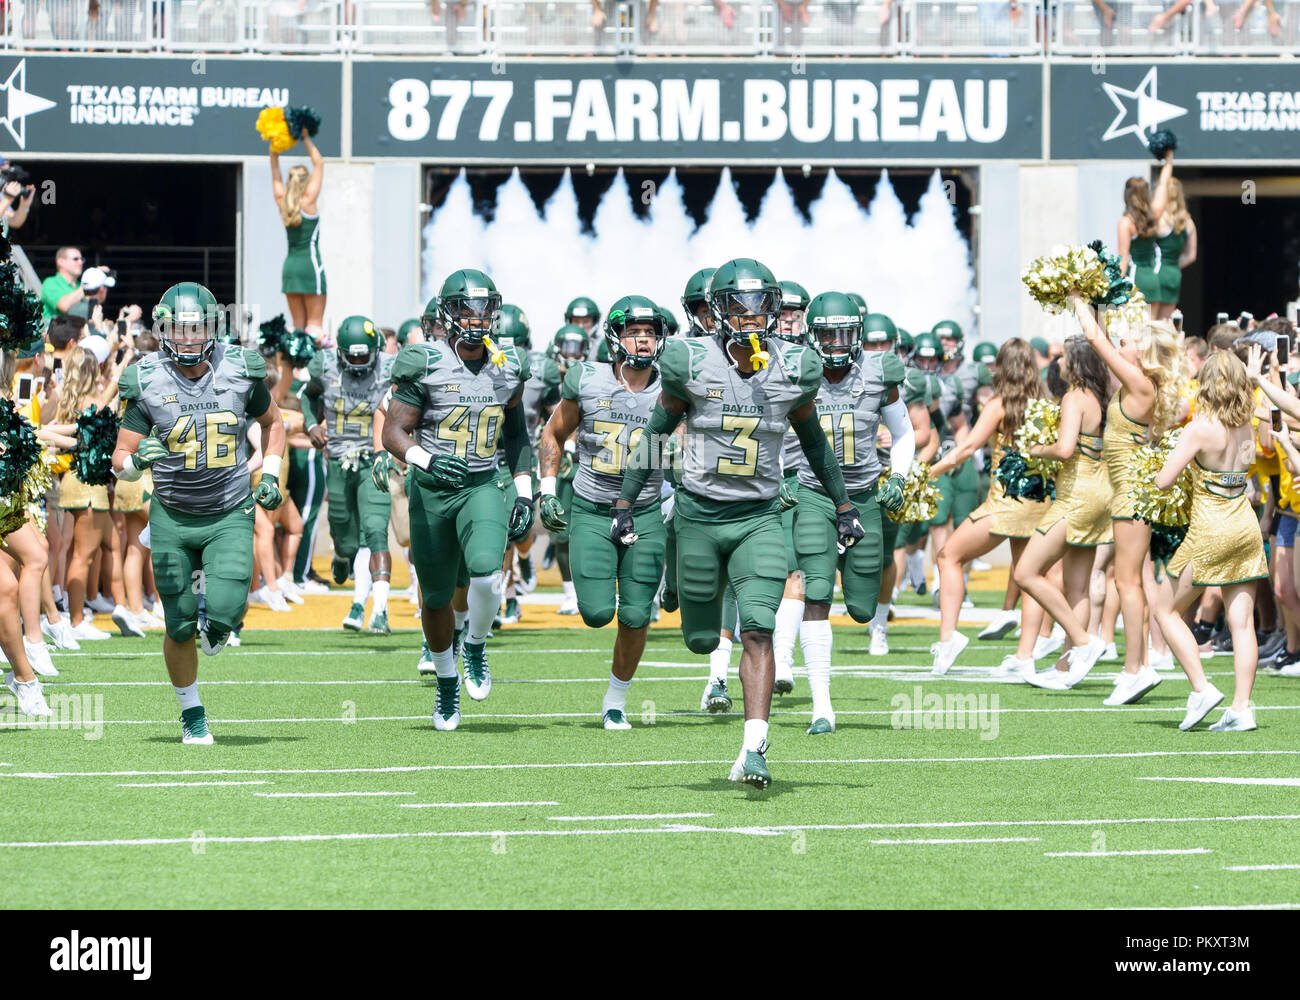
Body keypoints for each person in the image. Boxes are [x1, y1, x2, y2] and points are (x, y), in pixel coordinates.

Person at [612, 258, 866, 790]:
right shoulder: (691, 361)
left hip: (759, 518)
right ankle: (680, 587)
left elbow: (815, 444)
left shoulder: (794, 366)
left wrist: (843, 506)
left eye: (762, 305)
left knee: (758, 627)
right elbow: (657, 433)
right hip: (700, 516)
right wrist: (625, 502)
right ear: (718, 308)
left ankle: (755, 747)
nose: (751, 317)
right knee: (703, 640)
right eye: (739, 305)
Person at [112, 282, 286, 744]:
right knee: (179, 621)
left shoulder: (240, 370)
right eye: (180, 329)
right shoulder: (146, 378)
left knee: (227, 611)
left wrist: (269, 473)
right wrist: (137, 464)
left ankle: (220, 627)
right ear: (164, 330)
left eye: (198, 328)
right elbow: (120, 462)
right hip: (171, 512)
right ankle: (192, 713)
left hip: (229, 508)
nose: (189, 338)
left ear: (213, 328)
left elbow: (274, 424)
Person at [382, 270, 534, 730]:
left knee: (488, 576)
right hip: (431, 490)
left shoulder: (508, 365)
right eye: (467, 308)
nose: (477, 318)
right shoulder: (423, 362)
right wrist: (424, 460)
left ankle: (476, 645)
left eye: (485, 308)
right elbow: (394, 430)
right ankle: (446, 681)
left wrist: (526, 491)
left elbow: (517, 435)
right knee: (434, 598)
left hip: (482, 485)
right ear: (447, 313)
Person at [538, 295, 667, 730]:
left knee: (635, 614)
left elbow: (691, 445)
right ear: (615, 336)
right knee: (595, 613)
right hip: (593, 508)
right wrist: (546, 488)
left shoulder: (674, 385)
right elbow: (553, 433)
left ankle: (616, 699)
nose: (644, 341)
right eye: (635, 331)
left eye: (650, 333)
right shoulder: (588, 380)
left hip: (646, 511)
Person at [794, 292, 911, 734]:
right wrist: (784, 473)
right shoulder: (797, 371)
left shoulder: (879, 372)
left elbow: (903, 431)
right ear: (813, 336)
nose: (838, 342)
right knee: (817, 592)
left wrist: (897, 476)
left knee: (862, 609)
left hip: (863, 493)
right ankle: (822, 706)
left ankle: (871, 625)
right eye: (829, 334)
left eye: (845, 332)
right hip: (814, 494)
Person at [1155, 349, 1270, 731]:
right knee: (1242, 624)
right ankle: (1241, 708)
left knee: (1164, 610)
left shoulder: (1200, 427)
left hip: (1210, 529)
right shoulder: (1247, 425)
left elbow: (1163, 480)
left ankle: (1202, 688)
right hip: (1245, 526)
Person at [1076, 301, 1188, 688]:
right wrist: (1098, 306)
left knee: (1127, 583)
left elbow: (1094, 338)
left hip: (1130, 498)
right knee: (1130, 580)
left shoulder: (1140, 384)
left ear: (1142, 353)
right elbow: (1102, 338)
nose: (1124, 340)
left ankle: (1136, 669)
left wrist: (1074, 294)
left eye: (1133, 339)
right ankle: (1139, 666)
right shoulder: (1134, 382)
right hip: (1128, 494)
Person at [927, 339, 1051, 674]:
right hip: (1038, 501)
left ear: (1001, 368)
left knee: (947, 556)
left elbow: (966, 449)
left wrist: (927, 472)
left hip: (1006, 504)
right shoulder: (1045, 404)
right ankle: (1026, 657)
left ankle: (948, 637)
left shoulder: (999, 405)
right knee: (1029, 577)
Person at [1011, 336, 1114, 689]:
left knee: (1025, 572)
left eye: (1063, 357)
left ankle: (1084, 643)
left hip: (1078, 495)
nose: (1058, 362)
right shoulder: (1099, 397)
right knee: (1078, 587)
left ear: (1077, 363)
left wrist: (1035, 449)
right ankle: (1065, 669)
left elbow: (1066, 449)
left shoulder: (1074, 397)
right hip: (1100, 493)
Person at [298, 315, 395, 633]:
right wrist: (311, 424)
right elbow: (307, 396)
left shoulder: (391, 368)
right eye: (350, 355)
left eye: (362, 355)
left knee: (376, 531)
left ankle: (380, 610)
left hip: (375, 461)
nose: (356, 361)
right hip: (338, 461)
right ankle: (342, 555)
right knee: (345, 538)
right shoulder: (324, 366)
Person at [271, 134, 326, 344]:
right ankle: (313, 374)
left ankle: (296, 372)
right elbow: (319, 162)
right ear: (307, 182)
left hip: (290, 269)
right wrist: (305, 137)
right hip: (310, 267)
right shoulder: (308, 201)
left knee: (298, 330)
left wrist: (273, 149)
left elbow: (275, 174)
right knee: (315, 329)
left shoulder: (282, 202)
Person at [39, 247, 87, 324]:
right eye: (75, 259)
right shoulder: (50, 282)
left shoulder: (80, 286)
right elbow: (64, 306)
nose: (80, 262)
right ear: (61, 262)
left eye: (81, 259)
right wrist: (88, 284)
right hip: (55, 334)